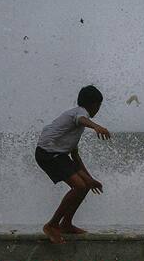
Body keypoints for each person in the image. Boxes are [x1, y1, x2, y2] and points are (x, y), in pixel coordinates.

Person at [34, 85, 111, 244]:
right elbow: (82, 119)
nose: (98, 109)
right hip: (47, 153)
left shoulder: (74, 126)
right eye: (99, 105)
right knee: (80, 186)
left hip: (58, 154)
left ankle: (66, 224)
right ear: (93, 104)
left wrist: (90, 178)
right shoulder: (80, 113)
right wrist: (96, 126)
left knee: (85, 185)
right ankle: (52, 225)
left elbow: (74, 156)